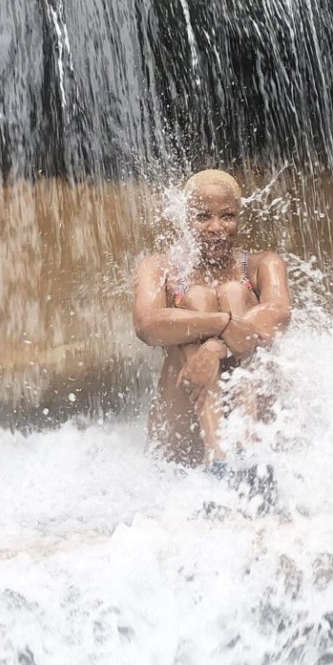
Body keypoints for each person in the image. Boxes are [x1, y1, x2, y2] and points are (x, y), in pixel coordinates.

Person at [133, 169, 291, 467]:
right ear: (184, 219)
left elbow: (279, 318)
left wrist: (215, 348)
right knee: (196, 301)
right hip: (183, 434)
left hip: (255, 407)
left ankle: (245, 443)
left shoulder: (262, 265)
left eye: (227, 216)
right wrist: (222, 324)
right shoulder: (158, 268)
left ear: (239, 220)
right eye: (202, 216)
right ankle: (218, 453)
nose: (216, 227)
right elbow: (147, 326)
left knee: (233, 292)